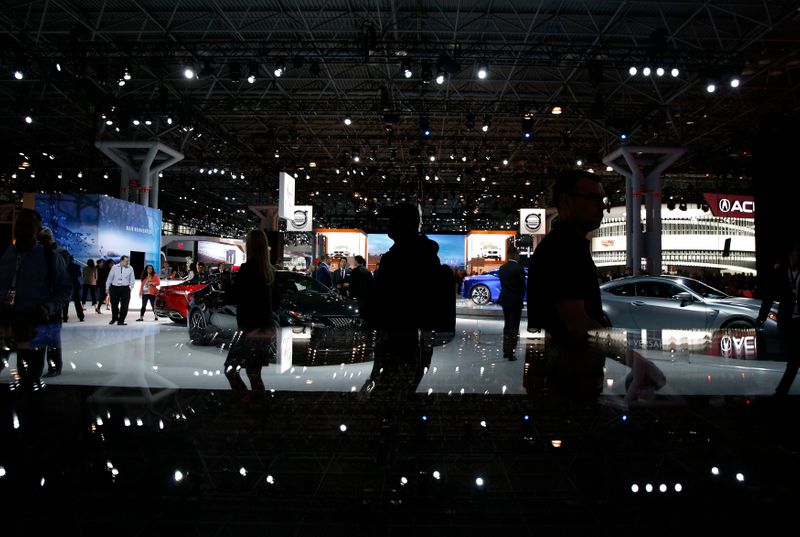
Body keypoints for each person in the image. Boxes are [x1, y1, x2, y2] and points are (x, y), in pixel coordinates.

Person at [526, 170, 663, 398]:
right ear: (566, 201)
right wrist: (635, 361)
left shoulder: (567, 245)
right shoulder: (564, 248)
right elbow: (577, 322)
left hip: (566, 377)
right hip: (567, 383)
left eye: (602, 200)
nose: (601, 207)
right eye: (593, 199)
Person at [0, 209, 71, 388]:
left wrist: (47, 308)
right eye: (19, 225)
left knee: (29, 376)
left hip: (33, 322)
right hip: (4, 320)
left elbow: (64, 290)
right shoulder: (5, 255)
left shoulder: (50, 258)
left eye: (27, 226)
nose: (22, 230)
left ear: (37, 230)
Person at [224, 229, 280, 396]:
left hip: (249, 329)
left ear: (251, 246)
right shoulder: (270, 271)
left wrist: (227, 283)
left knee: (231, 370)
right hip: (265, 328)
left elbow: (234, 298)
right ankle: (258, 408)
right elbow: (276, 302)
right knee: (254, 373)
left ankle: (247, 403)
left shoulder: (246, 270)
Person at [757, 238, 800, 396]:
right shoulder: (781, 273)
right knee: (794, 359)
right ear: (790, 254)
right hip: (790, 321)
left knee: (794, 360)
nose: (798, 256)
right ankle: (780, 392)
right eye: (796, 252)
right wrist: (762, 315)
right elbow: (769, 295)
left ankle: (780, 392)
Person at [498, 245, 526, 360]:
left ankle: (505, 350)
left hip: (505, 299)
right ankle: (511, 353)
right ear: (514, 254)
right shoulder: (519, 269)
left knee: (507, 325)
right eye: (518, 254)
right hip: (515, 301)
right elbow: (522, 287)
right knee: (514, 326)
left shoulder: (502, 268)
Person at [106, 255, 136, 325]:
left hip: (125, 288)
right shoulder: (114, 267)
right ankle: (114, 318)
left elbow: (132, 278)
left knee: (125, 305)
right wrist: (107, 287)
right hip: (114, 288)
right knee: (114, 305)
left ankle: (121, 320)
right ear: (121, 261)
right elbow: (110, 278)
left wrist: (130, 288)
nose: (127, 262)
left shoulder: (130, 268)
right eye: (126, 261)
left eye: (128, 261)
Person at [348, 255, 373, 322]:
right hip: (366, 297)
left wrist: (350, 296)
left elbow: (352, 285)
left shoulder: (354, 271)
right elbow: (371, 286)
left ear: (356, 261)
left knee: (356, 314)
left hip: (356, 297)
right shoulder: (368, 272)